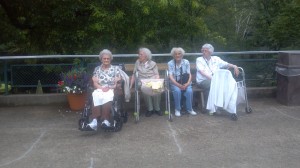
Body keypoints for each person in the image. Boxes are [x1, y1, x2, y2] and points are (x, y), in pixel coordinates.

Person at [196, 43, 239, 115]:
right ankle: (210, 107)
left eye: (205, 51)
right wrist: (214, 80)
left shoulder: (216, 58)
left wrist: (234, 66)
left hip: (215, 80)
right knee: (212, 85)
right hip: (203, 81)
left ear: (210, 52)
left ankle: (223, 105)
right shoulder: (199, 59)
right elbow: (202, 72)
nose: (203, 52)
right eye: (202, 50)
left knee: (227, 86)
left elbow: (226, 64)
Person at [87, 49, 122, 130]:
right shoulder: (97, 69)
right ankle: (94, 121)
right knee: (96, 95)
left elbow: (117, 82)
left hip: (111, 88)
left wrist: (109, 87)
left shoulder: (115, 69)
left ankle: (105, 120)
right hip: (100, 88)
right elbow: (95, 82)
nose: (106, 60)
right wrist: (101, 88)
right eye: (104, 58)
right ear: (101, 59)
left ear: (110, 59)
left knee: (107, 96)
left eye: (108, 58)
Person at [130, 47, 162, 117]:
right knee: (145, 87)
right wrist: (130, 85)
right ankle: (150, 109)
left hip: (152, 80)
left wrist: (157, 81)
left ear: (146, 56)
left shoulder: (153, 63)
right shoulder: (137, 62)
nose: (139, 56)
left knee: (157, 87)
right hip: (142, 81)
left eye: (141, 54)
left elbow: (156, 74)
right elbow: (134, 74)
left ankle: (157, 108)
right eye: (139, 54)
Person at [167, 47, 197, 117]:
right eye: (176, 54)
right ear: (173, 55)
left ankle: (189, 109)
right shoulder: (170, 63)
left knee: (189, 91)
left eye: (179, 53)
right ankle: (177, 109)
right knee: (177, 91)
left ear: (182, 54)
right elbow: (170, 76)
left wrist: (187, 83)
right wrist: (178, 85)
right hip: (175, 82)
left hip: (185, 82)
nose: (177, 55)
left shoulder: (186, 62)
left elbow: (189, 74)